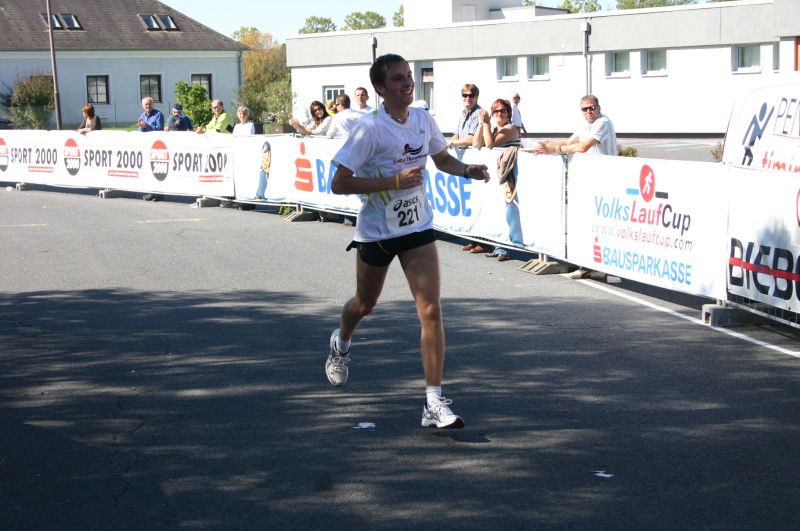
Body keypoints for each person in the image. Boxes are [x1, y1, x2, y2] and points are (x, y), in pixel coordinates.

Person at [325, 53, 491, 430]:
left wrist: (467, 170)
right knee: (364, 304)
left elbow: (442, 160)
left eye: (409, 77)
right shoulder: (370, 128)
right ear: (380, 88)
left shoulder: (422, 119)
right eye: (398, 79)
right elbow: (339, 183)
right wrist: (394, 182)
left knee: (431, 310)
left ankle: (433, 402)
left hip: (416, 227)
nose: (407, 83)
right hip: (377, 231)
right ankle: (341, 342)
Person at [533, 94, 617, 279]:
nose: (588, 111)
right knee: (588, 224)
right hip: (589, 181)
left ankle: (601, 266)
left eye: (592, 108)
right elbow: (570, 142)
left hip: (605, 181)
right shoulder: (585, 124)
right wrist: (548, 144)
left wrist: (555, 149)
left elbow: (583, 147)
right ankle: (589, 265)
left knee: (600, 226)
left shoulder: (603, 123)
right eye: (585, 109)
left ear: (598, 108)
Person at [473, 98, 522, 262]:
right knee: (497, 211)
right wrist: (482, 124)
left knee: (510, 212)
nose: (499, 114)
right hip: (497, 177)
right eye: (496, 111)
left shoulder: (511, 128)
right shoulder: (493, 128)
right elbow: (476, 143)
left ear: (508, 113)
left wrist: (487, 124)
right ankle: (498, 246)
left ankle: (508, 247)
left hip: (510, 176)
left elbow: (490, 144)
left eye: (503, 111)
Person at [450, 84, 485, 253]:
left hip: (476, 161)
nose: (468, 98)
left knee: (478, 203)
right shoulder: (463, 113)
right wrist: (450, 141)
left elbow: (471, 139)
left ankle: (483, 241)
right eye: (465, 95)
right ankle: (472, 238)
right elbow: (456, 135)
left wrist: (453, 142)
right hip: (465, 163)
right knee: (469, 203)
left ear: (476, 97)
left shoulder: (478, 113)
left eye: (471, 95)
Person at [137, 97, 164, 201]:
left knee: (157, 170)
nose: (148, 106)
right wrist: (141, 126)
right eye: (146, 104)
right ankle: (152, 192)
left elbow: (159, 129)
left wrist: (146, 126)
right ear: (143, 106)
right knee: (148, 171)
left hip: (156, 146)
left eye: (149, 104)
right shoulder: (142, 115)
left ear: (152, 104)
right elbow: (139, 130)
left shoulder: (158, 114)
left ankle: (158, 194)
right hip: (146, 146)